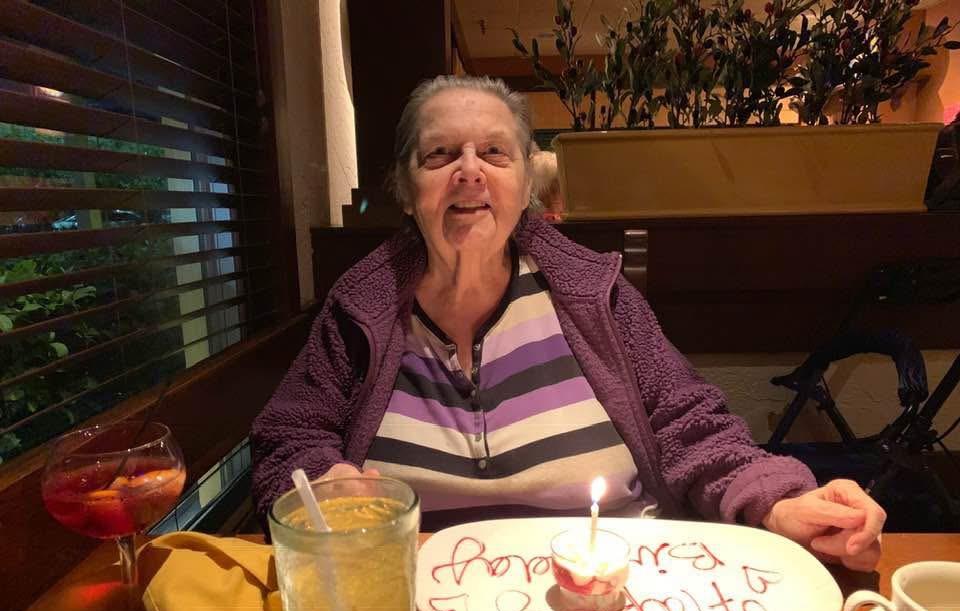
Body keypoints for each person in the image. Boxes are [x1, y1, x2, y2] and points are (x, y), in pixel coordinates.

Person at [252, 75, 884, 571]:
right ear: (404, 185)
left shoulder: (594, 297)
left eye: (494, 153)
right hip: (425, 606)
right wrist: (323, 485)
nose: (469, 170)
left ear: (526, 180)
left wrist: (779, 501)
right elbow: (289, 438)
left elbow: (691, 428)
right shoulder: (358, 308)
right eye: (440, 153)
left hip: (620, 592)